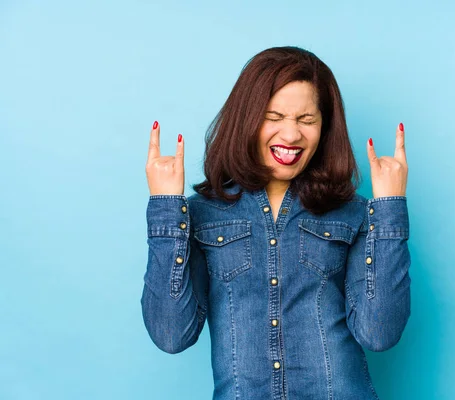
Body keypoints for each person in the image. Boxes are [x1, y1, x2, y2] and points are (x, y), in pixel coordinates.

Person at [141, 46, 411, 400]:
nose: (291, 134)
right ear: (248, 120)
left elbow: (379, 333)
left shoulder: (354, 213)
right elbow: (171, 334)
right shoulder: (200, 214)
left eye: (306, 120)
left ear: (324, 128)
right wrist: (165, 207)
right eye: (274, 116)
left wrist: (390, 207)